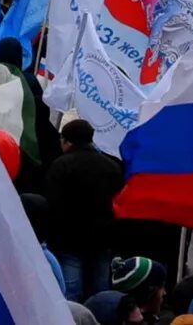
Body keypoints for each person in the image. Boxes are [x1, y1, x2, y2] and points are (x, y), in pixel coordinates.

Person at [42, 119, 125, 302]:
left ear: (68, 142)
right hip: (104, 237)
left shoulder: (61, 166)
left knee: (71, 292)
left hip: (71, 239)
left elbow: (53, 204)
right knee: (102, 289)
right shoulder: (111, 166)